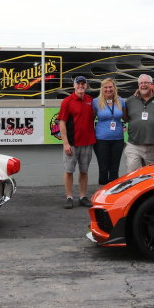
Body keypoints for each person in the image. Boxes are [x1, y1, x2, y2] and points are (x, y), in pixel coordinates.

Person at [57, 75, 95, 209]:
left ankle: (83, 197)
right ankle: (69, 197)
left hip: (87, 143)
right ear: (74, 86)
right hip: (72, 144)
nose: (80, 86)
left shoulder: (91, 101)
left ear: (86, 86)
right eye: (78, 84)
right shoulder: (67, 101)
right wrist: (65, 143)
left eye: (83, 84)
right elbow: (62, 123)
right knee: (69, 171)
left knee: (84, 171)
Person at [123, 74, 154, 173]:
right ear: (138, 86)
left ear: (151, 84)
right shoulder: (130, 100)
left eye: (146, 82)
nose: (143, 85)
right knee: (132, 174)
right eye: (141, 83)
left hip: (153, 147)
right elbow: (126, 118)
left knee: (152, 176)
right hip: (134, 145)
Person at [92, 77, 126, 185]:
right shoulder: (95, 102)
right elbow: (90, 120)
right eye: (105, 87)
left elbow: (126, 118)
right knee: (103, 168)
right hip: (101, 140)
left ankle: (113, 196)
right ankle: (102, 195)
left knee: (114, 169)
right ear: (102, 89)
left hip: (118, 140)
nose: (108, 89)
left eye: (110, 87)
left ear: (114, 88)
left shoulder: (121, 101)